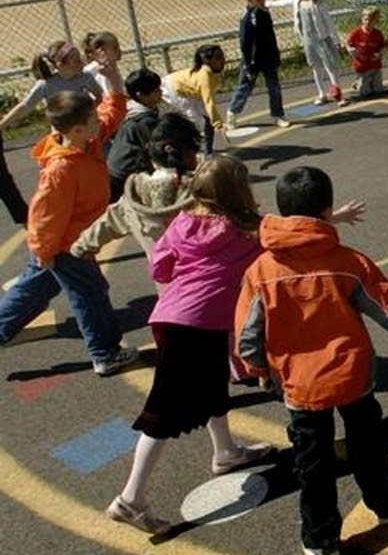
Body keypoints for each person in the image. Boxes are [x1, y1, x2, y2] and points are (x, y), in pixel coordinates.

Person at [235, 166, 388, 555]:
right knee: (368, 446)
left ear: (280, 212)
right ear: (328, 211)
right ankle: (385, 506)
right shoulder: (347, 261)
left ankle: (319, 538)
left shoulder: (260, 271)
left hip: (300, 386)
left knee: (313, 466)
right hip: (351, 376)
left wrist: (258, 368)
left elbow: (247, 332)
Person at [104, 155, 276, 534]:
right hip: (197, 324)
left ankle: (226, 452)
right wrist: (331, 220)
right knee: (163, 413)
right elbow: (285, 239)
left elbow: (159, 267)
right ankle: (131, 499)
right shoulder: (245, 231)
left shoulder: (182, 221)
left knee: (214, 384)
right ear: (238, 192)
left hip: (171, 318)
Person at [0, 65, 137, 376]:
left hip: (66, 242)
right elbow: (45, 217)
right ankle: (104, 354)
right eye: (92, 119)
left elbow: (112, 109)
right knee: (90, 295)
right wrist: (46, 253)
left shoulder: (88, 140)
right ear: (76, 128)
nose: (98, 122)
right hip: (66, 245)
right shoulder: (60, 170)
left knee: (31, 292)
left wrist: (112, 73)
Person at [71, 113, 200, 263]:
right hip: (212, 279)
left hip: (168, 282)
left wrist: (81, 247)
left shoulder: (133, 199)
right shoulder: (202, 193)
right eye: (193, 149)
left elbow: (107, 223)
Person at [270, 0, 344, 106]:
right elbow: (284, 2)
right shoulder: (297, 1)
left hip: (322, 40)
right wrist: (268, 3)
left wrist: (335, 39)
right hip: (308, 41)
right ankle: (321, 93)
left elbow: (329, 23)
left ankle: (338, 94)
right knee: (316, 67)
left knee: (330, 67)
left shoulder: (319, 4)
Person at [0, 41, 104, 131]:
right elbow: (25, 106)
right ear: (60, 65)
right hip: (62, 132)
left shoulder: (85, 77)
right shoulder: (46, 85)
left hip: (86, 127)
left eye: (80, 58)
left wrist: (91, 115)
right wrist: (2, 125)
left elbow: (99, 96)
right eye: (76, 60)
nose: (82, 62)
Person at [229, 0, 290, 130]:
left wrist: (275, 55)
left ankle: (277, 114)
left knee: (274, 88)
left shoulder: (264, 12)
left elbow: (270, 36)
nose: (262, 1)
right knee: (244, 88)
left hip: (268, 58)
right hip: (252, 60)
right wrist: (249, 66)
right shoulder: (248, 18)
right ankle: (232, 113)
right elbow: (245, 44)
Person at [105, 68, 164, 202]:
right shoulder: (144, 121)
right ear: (141, 96)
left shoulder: (133, 112)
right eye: (156, 91)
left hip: (116, 173)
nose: (161, 93)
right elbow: (157, 151)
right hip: (123, 177)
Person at [164, 45, 227, 156]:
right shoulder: (205, 76)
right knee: (193, 124)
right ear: (208, 61)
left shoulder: (213, 71)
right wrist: (219, 124)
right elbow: (209, 102)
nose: (222, 60)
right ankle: (186, 152)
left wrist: (215, 121)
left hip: (192, 94)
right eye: (218, 58)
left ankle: (208, 152)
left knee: (207, 119)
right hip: (173, 90)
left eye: (222, 56)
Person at [346, 7, 386, 100]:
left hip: (375, 65)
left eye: (371, 20)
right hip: (362, 66)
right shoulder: (356, 33)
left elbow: (382, 47)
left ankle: (369, 83)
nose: (368, 22)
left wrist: (379, 54)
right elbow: (348, 45)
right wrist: (353, 52)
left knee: (378, 90)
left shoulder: (378, 33)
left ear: (376, 21)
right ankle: (359, 82)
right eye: (366, 19)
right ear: (362, 19)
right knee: (365, 93)